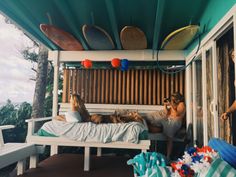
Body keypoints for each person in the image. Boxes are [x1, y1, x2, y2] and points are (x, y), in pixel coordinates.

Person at [146, 92, 186, 160]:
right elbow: (168, 114)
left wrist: (172, 105)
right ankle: (162, 129)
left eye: (173, 99)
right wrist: (165, 106)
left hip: (175, 122)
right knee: (151, 120)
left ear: (177, 99)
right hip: (168, 120)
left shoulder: (181, 104)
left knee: (169, 138)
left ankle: (168, 156)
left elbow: (177, 115)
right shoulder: (175, 104)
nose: (172, 100)